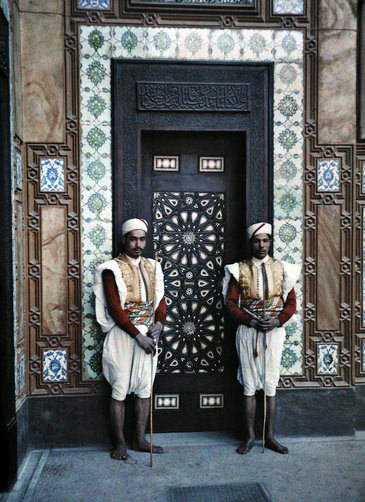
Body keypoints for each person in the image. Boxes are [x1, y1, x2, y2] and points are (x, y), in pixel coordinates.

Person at [223, 222, 300, 455]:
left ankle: (270, 437)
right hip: (249, 332)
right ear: (251, 243)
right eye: (257, 241)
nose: (262, 245)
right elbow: (231, 303)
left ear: (270, 242)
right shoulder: (240, 269)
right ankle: (249, 437)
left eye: (265, 240)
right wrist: (251, 321)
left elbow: (291, 302)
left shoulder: (282, 268)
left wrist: (277, 321)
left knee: (270, 384)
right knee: (249, 384)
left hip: (274, 332)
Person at [94, 218, 166, 460]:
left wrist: (158, 324)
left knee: (145, 388)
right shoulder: (111, 268)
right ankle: (120, 443)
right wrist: (137, 335)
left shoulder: (153, 267)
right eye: (133, 239)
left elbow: (160, 300)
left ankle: (139, 439)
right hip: (124, 336)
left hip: (147, 334)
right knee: (120, 388)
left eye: (142, 239)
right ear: (124, 239)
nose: (138, 244)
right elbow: (115, 308)